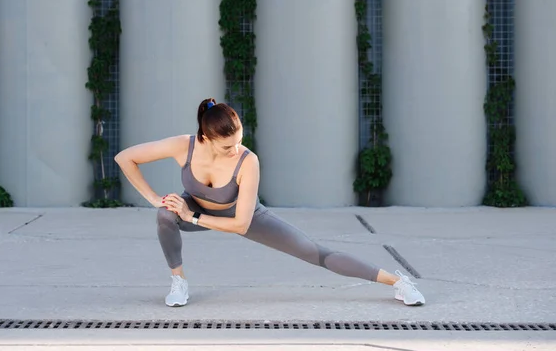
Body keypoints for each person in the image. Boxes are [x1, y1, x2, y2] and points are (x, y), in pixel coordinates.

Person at [114, 98, 426, 308]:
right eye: (228, 147)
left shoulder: (248, 161)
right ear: (207, 139)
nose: (237, 150)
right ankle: (178, 283)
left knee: (315, 253)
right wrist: (155, 199)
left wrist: (192, 217)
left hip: (245, 216)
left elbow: (239, 225)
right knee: (164, 216)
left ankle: (398, 281)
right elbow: (125, 157)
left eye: (239, 141)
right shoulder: (184, 146)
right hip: (194, 210)